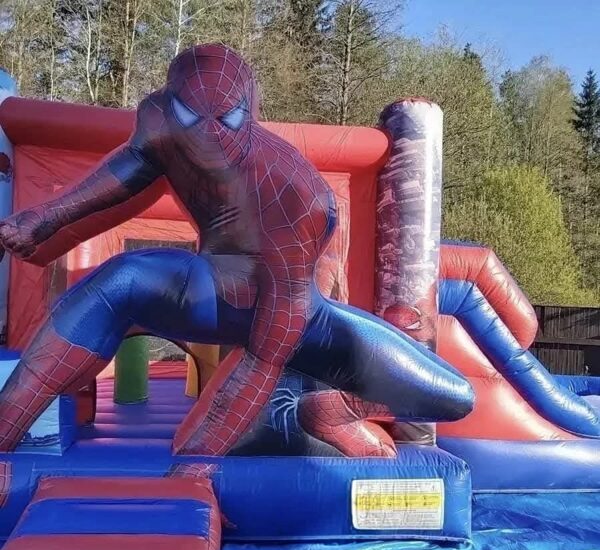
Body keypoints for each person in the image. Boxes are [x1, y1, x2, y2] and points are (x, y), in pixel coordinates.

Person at [0, 44, 473, 455]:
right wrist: (46, 217)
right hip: (208, 289)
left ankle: (332, 409)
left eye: (226, 120)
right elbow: (134, 163)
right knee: (118, 280)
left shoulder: (295, 193)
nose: (206, 135)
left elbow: (269, 351)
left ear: (250, 112)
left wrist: (201, 458)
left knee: (453, 395)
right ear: (171, 103)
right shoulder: (158, 118)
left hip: (291, 313)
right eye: (191, 117)